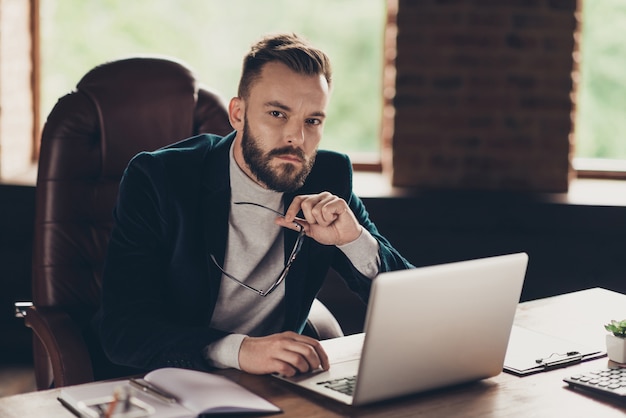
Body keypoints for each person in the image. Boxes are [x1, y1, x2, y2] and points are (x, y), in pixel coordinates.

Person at [97, 33, 414, 378]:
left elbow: (413, 306)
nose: (297, 137)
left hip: (277, 383)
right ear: (238, 114)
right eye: (278, 114)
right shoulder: (160, 179)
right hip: (177, 377)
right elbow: (123, 331)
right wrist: (238, 350)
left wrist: (353, 240)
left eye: (312, 121)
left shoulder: (328, 177)